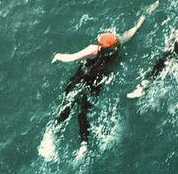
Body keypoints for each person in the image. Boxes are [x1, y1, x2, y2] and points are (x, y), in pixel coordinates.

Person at [50, 8, 155, 150]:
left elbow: (72, 57)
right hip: (96, 84)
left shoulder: (93, 50)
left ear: (101, 45)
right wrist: (143, 17)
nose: (100, 36)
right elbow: (133, 30)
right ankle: (84, 144)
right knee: (83, 110)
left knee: (67, 104)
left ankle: (53, 135)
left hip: (81, 78)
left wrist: (59, 56)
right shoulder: (117, 47)